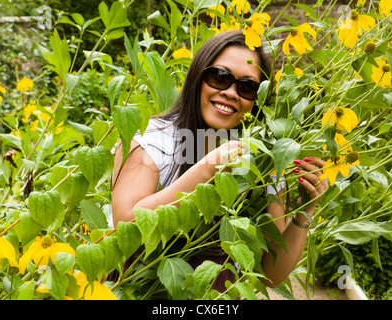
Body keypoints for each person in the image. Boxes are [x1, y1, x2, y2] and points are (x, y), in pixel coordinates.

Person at [111, 30, 328, 291]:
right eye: (219, 77)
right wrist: (205, 171)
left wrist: (307, 210)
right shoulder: (153, 139)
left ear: (256, 99)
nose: (231, 92)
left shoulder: (262, 162)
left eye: (247, 87)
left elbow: (270, 275)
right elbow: (124, 229)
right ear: (197, 77)